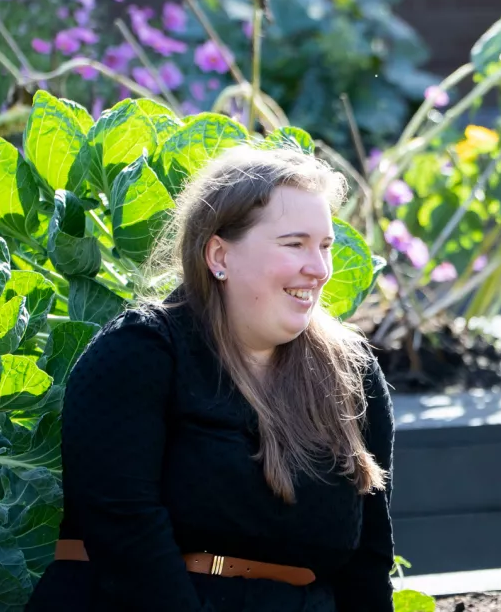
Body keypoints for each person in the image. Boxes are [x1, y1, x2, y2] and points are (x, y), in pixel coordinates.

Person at [27, 145, 396, 612]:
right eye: (294, 244)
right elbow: (125, 533)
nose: (319, 269)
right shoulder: (139, 353)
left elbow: (368, 563)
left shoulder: (352, 375)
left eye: (324, 247)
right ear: (219, 254)